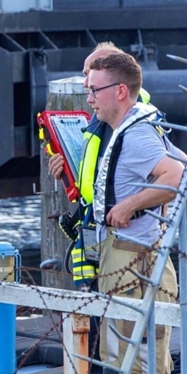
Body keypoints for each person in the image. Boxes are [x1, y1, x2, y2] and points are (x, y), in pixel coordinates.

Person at [87, 52, 187, 374]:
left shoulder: (135, 137)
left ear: (119, 91)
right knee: (137, 366)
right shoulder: (138, 127)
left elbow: (178, 174)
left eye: (95, 90)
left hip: (134, 260)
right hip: (138, 256)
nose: (90, 99)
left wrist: (130, 206)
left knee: (140, 367)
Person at [48, 41, 152, 289]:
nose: (85, 83)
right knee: (94, 310)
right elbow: (100, 170)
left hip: (124, 238)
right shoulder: (102, 117)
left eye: (91, 75)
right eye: (86, 74)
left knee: (116, 315)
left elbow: (175, 176)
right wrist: (67, 169)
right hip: (94, 226)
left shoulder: (134, 121)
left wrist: (129, 207)